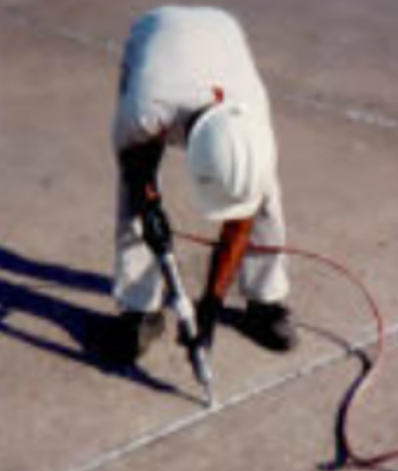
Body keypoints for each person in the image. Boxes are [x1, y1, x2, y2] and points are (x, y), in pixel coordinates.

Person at [111, 5, 298, 362]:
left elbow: (240, 222)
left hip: (221, 33)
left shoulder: (254, 125)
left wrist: (209, 306)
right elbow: (139, 176)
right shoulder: (145, 110)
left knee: (265, 195)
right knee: (132, 198)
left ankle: (265, 300)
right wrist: (148, 205)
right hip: (157, 33)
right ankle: (141, 309)